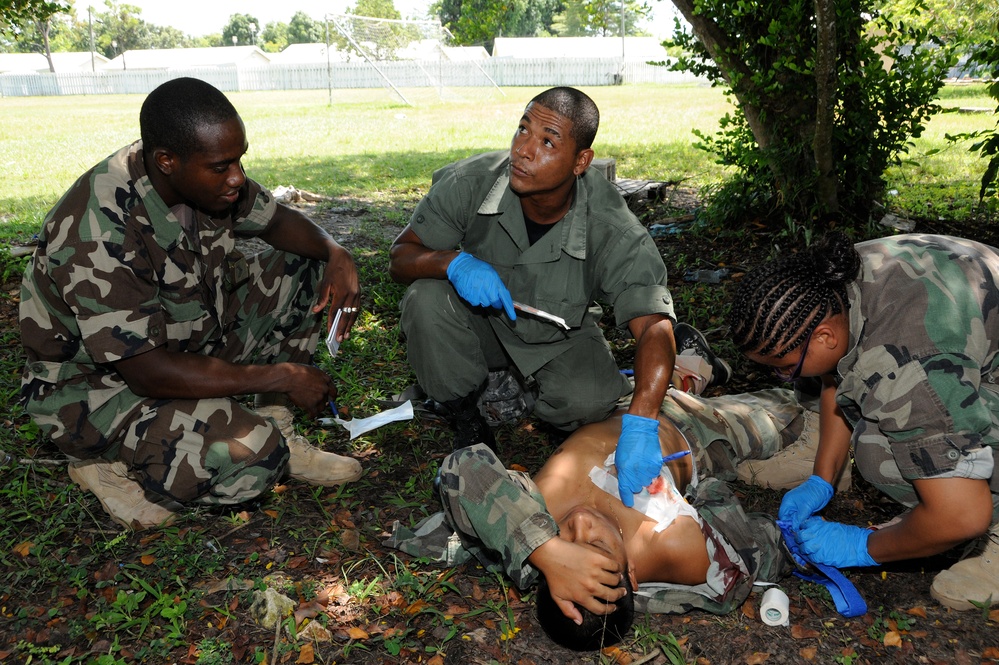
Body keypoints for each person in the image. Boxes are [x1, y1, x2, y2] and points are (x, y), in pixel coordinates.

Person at [19, 77, 363, 531]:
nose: (238, 177)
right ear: (167, 161)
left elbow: (277, 220)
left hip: (185, 343)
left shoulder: (198, 176)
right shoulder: (99, 229)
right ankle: (100, 463)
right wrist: (284, 374)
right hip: (98, 390)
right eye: (223, 166)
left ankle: (275, 416)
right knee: (255, 457)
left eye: (239, 160)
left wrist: (336, 252)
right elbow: (147, 372)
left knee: (310, 265)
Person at [388, 86, 729, 507]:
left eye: (548, 141)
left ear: (580, 162)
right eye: (522, 130)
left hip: (559, 336)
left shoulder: (612, 227)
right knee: (425, 300)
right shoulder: (471, 182)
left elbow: (654, 327)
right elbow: (401, 257)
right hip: (480, 323)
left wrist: (641, 425)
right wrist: (451, 264)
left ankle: (689, 368)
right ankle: (467, 418)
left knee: (588, 403)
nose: (523, 150)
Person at [386, 386, 812, 649]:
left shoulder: (529, 516)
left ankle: (692, 365)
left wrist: (543, 548)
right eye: (595, 548)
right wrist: (689, 498)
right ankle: (698, 372)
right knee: (789, 405)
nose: (580, 526)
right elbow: (753, 547)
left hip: (627, 398)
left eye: (566, 549)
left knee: (666, 372)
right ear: (630, 568)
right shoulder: (676, 547)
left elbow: (462, 465)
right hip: (698, 433)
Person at [728, 232, 999, 611]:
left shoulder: (910, 369)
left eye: (786, 369)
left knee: (878, 453)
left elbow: (963, 517)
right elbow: (837, 374)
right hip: (974, 359)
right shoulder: (836, 281)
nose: (784, 378)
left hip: (938, 367)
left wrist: (861, 547)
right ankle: (942, 486)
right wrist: (822, 479)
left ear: (824, 336)